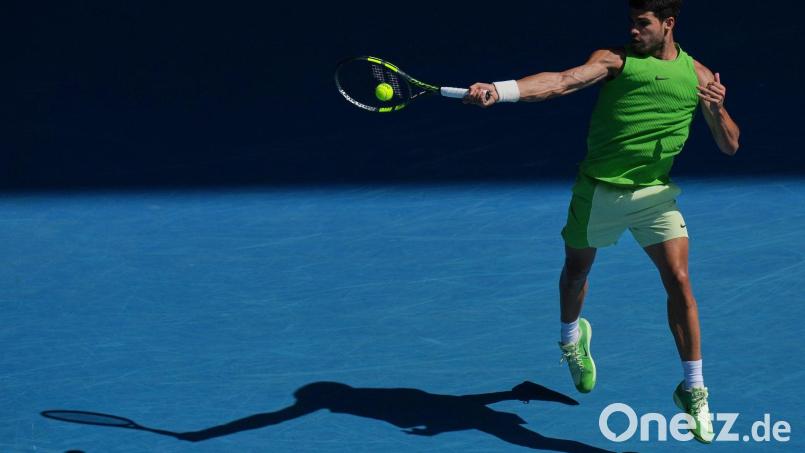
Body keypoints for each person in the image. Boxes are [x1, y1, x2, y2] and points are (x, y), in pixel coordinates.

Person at [463, 0, 740, 443]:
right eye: (631, 22)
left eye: (643, 24)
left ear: (668, 24)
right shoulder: (614, 61)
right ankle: (572, 339)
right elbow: (561, 82)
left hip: (654, 195)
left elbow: (730, 145)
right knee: (576, 272)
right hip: (599, 192)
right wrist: (502, 89)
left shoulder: (701, 77)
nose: (633, 31)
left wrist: (716, 110)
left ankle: (694, 388)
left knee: (680, 281)